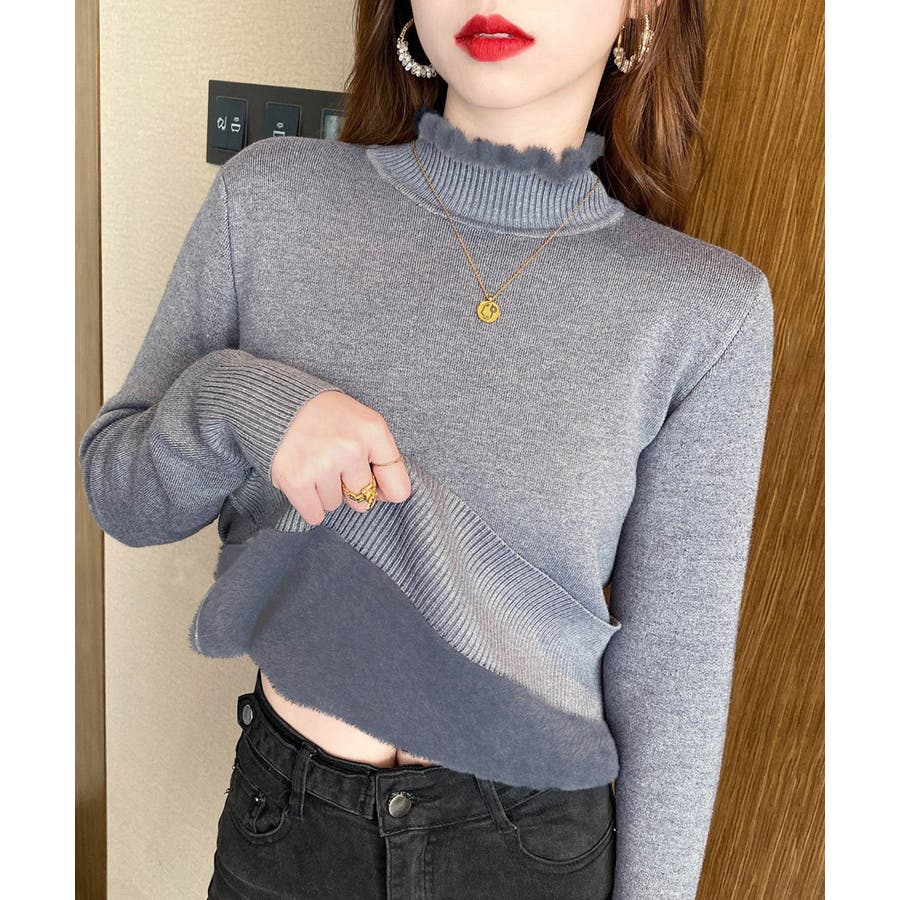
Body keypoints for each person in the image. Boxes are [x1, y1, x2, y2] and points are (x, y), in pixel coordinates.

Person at [78, 1, 775, 898]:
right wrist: (239, 401)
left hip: (530, 853)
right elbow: (120, 495)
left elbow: (672, 680)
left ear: (639, 9)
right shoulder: (271, 199)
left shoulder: (705, 312)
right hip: (290, 831)